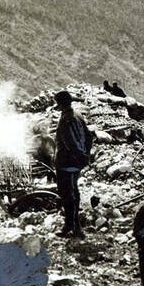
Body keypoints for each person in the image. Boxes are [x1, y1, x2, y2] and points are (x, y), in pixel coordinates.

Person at [53, 90, 92, 237]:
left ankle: (72, 227)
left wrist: (80, 155)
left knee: (67, 194)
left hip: (66, 162)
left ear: (60, 104)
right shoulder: (78, 115)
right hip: (76, 162)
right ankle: (74, 226)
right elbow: (89, 137)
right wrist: (86, 155)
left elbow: (69, 143)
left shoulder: (66, 119)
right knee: (74, 191)